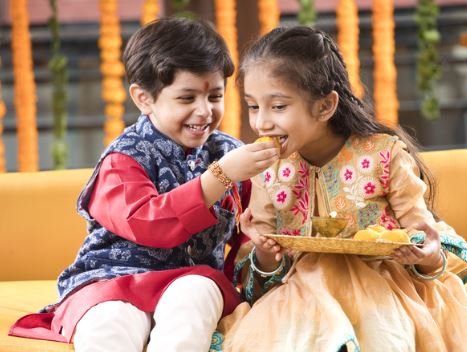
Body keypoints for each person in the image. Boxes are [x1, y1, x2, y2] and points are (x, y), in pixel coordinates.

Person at [216, 26, 467, 352]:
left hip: (383, 288)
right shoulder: (265, 169)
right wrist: (263, 249)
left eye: (278, 107)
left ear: (325, 106)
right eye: (253, 106)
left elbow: (425, 246)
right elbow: (261, 285)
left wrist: (424, 254)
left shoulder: (384, 155)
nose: (261, 123)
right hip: (300, 294)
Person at [9, 17, 279, 352]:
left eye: (214, 96)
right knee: (109, 324)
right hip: (113, 279)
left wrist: (261, 248)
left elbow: (247, 238)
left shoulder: (229, 153)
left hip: (192, 280)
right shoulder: (124, 158)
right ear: (143, 98)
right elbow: (148, 222)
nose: (204, 111)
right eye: (186, 98)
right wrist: (218, 177)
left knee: (195, 295)